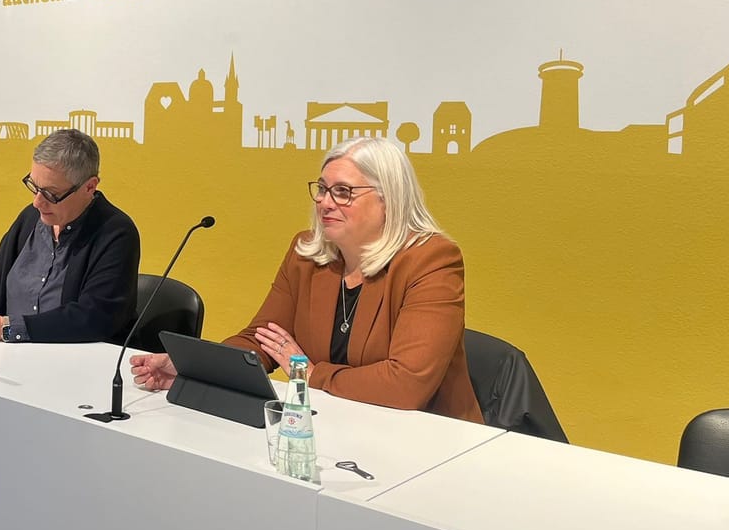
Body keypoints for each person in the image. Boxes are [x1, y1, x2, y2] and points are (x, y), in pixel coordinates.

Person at [130, 136, 483, 422]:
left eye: (343, 192)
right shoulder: (306, 253)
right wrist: (192, 367)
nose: (325, 203)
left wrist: (311, 374)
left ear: (388, 199)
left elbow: (406, 385)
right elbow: (263, 340)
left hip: (427, 440)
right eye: (322, 189)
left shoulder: (432, 260)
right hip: (334, 424)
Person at [0, 128, 140, 344]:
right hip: (10, 356)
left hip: (75, 362)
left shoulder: (116, 232)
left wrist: (7, 328)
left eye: (52, 194)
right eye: (34, 187)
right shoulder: (30, 218)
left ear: (89, 187)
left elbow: (94, 317)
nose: (37, 202)